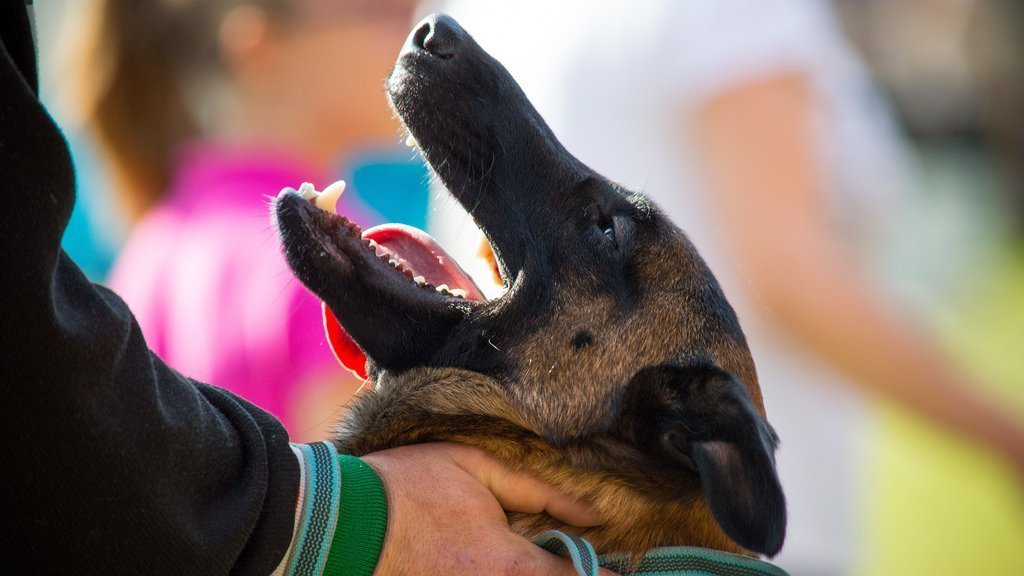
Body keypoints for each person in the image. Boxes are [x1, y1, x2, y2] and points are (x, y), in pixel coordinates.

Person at [1, 3, 618, 574]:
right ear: (259, 45)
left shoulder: (144, 252)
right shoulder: (334, 270)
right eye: (374, 7)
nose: (413, 16)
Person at [429, 1, 1024, 574]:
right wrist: (1007, 439)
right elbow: (790, 276)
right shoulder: (731, 8)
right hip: (728, 526)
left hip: (529, 528)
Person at [67, 0, 418, 440]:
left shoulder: (145, 252)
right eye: (386, 12)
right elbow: (362, 501)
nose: (418, 30)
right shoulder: (338, 260)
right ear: (261, 45)